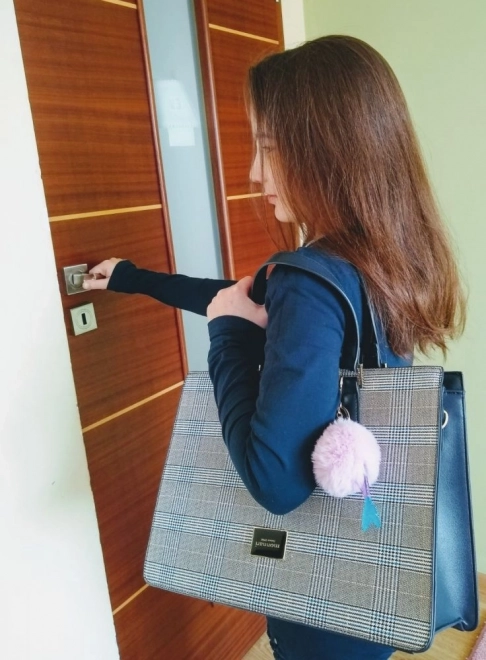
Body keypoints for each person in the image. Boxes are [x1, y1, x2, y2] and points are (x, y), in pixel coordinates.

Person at [83, 35, 465, 660]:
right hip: (375, 558)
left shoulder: (310, 279)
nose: (254, 174)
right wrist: (132, 277)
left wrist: (228, 338)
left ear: (327, 149)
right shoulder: (384, 253)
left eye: (268, 147)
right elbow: (238, 295)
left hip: (322, 601)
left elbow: (274, 482)